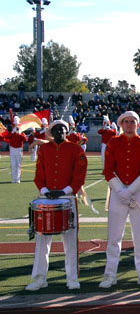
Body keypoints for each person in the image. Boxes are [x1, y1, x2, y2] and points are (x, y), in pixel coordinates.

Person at [26, 120, 88, 291]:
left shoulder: (76, 149)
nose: (60, 131)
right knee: (42, 241)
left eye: (62, 128)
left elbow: (80, 174)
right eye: (56, 129)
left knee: (70, 241)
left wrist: (65, 191)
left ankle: (72, 278)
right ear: (51, 132)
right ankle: (39, 278)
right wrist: (45, 191)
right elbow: (39, 173)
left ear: (67, 131)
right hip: (46, 197)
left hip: (67, 198)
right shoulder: (44, 149)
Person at [100, 111, 140, 289]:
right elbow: (108, 170)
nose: (130, 124)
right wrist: (120, 190)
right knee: (114, 236)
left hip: (138, 192)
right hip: (118, 192)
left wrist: (130, 190)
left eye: (133, 122)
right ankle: (110, 275)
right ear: (121, 124)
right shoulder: (113, 143)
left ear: (137, 125)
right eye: (126, 121)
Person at [7, 116, 27, 183]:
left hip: (18, 149)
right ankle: (13, 179)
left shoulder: (21, 131)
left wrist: (19, 133)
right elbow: (7, 137)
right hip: (12, 149)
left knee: (18, 165)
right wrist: (12, 132)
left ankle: (18, 179)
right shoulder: (11, 131)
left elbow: (25, 139)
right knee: (13, 164)